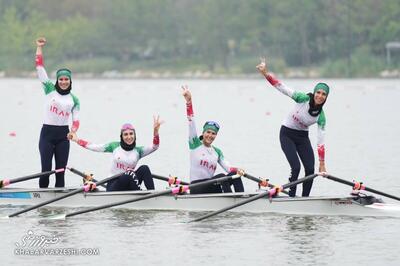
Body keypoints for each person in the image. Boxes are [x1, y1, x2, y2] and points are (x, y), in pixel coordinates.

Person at [256, 58, 329, 197]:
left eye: (323, 94)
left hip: (302, 137)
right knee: (296, 167)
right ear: (314, 93)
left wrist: (322, 163)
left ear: (326, 98)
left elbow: (321, 143)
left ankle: (305, 199)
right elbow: (281, 86)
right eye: (318, 92)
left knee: (310, 169)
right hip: (287, 134)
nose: (320, 96)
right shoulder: (302, 98)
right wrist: (265, 73)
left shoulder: (321, 117)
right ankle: (292, 196)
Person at [70, 116, 162, 191]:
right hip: (114, 185)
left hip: (130, 183)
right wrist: (77, 140)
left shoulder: (138, 151)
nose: (129, 137)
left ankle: (152, 196)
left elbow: (155, 146)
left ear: (134, 135)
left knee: (144, 168)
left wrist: (156, 133)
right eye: (125, 134)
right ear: (121, 136)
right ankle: (140, 194)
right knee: (129, 173)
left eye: (131, 134)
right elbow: (94, 147)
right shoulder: (114, 146)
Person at [182, 85, 245, 194]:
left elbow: (229, 169)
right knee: (221, 177)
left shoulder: (217, 152)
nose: (210, 135)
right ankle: (229, 201)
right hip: (196, 187)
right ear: (203, 132)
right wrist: (189, 102)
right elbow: (191, 122)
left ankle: (241, 199)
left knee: (235, 176)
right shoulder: (195, 144)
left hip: (211, 186)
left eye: (213, 133)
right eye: (208, 132)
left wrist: (238, 170)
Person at [35, 37, 80, 188]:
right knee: (46, 171)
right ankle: (41, 201)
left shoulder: (74, 99)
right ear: (57, 80)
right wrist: (39, 48)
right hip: (47, 134)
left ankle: (59, 202)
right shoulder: (49, 90)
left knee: (60, 172)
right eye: (61, 79)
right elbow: (39, 67)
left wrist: (73, 131)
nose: (63, 81)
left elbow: (76, 120)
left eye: (66, 79)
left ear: (70, 81)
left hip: (63, 136)